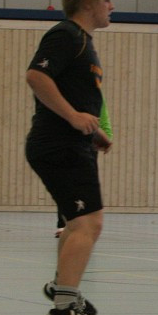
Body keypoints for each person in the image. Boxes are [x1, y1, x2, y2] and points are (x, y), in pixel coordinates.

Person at [26, 0, 114, 315]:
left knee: (81, 223)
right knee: (87, 223)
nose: (112, 7)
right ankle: (62, 305)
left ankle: (66, 290)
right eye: (107, 0)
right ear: (90, 3)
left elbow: (75, 95)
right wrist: (73, 117)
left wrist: (91, 129)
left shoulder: (84, 41)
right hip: (58, 145)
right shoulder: (66, 34)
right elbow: (36, 76)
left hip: (73, 143)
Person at [54, 100, 111, 238]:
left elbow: (103, 115)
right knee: (65, 184)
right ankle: (64, 223)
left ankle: (82, 219)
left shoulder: (95, 94)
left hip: (89, 145)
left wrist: (107, 135)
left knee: (86, 184)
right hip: (68, 143)